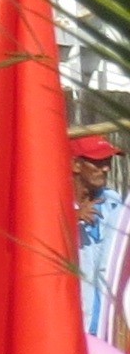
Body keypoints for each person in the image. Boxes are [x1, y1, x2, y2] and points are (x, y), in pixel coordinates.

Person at [79, 133, 124, 343]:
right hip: (74, 327)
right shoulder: (51, 210)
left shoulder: (116, 205)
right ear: (75, 165)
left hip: (109, 329)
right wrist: (72, 218)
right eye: (98, 162)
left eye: (108, 161)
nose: (106, 168)